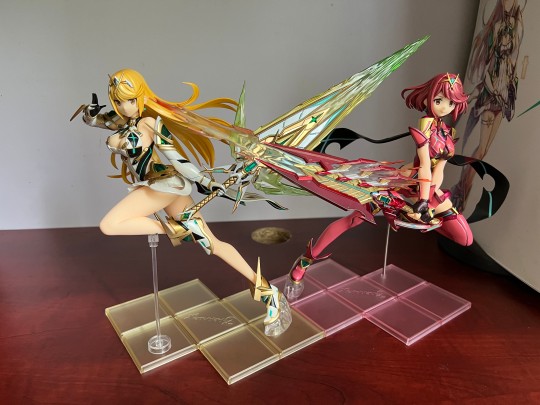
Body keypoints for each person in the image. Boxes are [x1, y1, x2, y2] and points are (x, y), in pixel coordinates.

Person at [77, 68, 291, 336]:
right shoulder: (121, 121)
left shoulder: (150, 124)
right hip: (167, 190)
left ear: (141, 95)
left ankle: (175, 230)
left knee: (109, 225)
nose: (124, 106)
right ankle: (270, 294)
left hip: (162, 186)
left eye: (130, 100)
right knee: (212, 244)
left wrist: (206, 182)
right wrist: (90, 113)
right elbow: (94, 120)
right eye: (118, 101)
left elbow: (177, 159)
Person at [284, 73, 473, 300]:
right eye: (439, 100)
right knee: (355, 219)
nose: (444, 107)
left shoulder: (449, 133)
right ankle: (304, 261)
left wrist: (430, 205)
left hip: (428, 187)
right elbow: (424, 165)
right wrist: (424, 201)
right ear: (428, 98)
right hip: (406, 183)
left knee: (465, 238)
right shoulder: (425, 125)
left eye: (450, 102)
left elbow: (438, 170)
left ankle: (411, 214)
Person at [452, 0, 524, 211]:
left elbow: (514, 63)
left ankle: (463, 187)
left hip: (502, 97)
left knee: (484, 151)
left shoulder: (517, 26)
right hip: (490, 96)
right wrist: (492, 91)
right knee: (482, 149)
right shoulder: (498, 26)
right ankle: (463, 189)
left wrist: (509, 94)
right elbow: (487, 66)